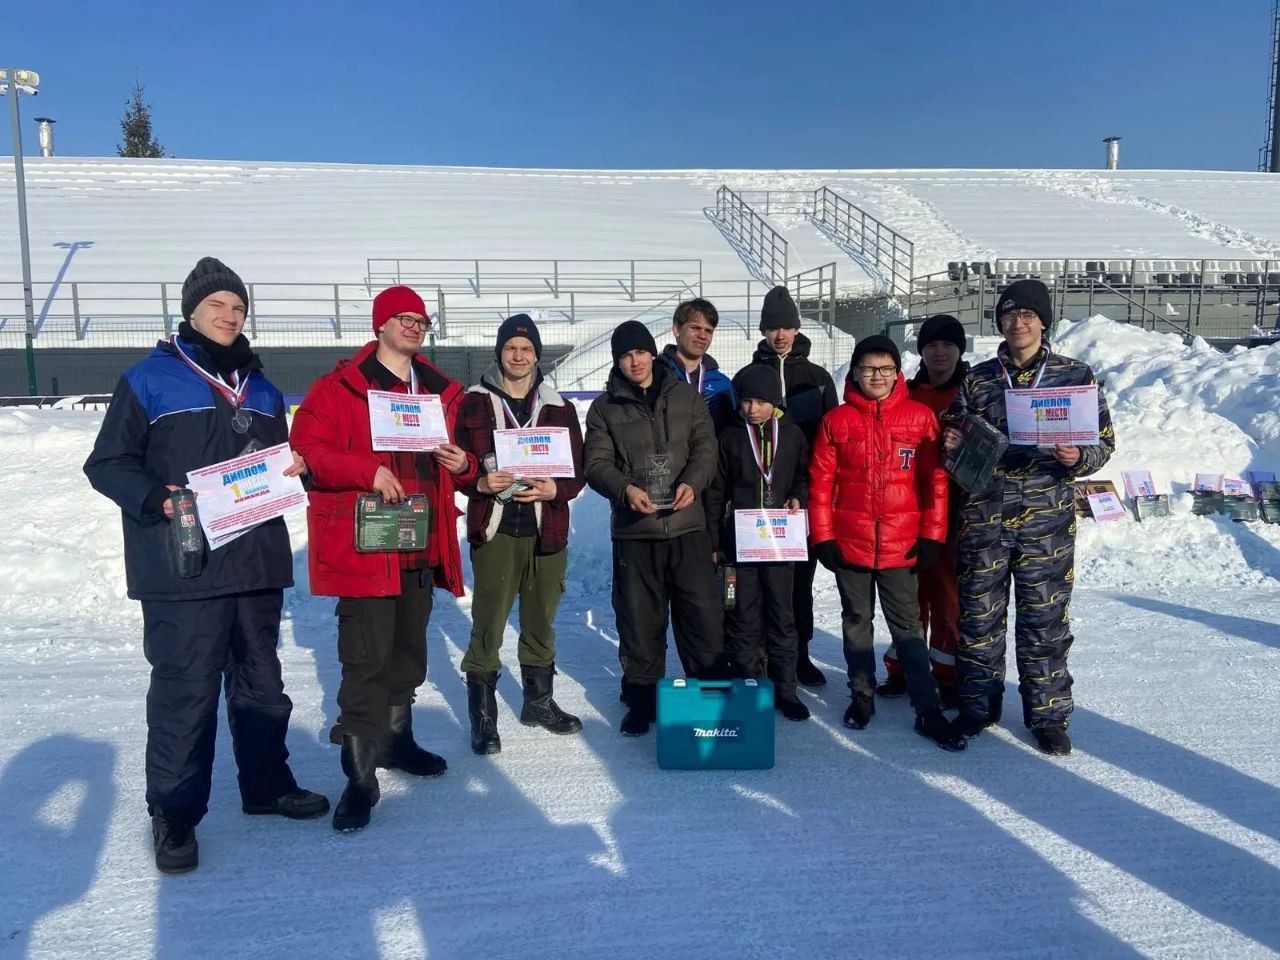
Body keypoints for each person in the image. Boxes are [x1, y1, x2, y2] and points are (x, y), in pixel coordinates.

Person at [84, 257, 329, 875]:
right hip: (183, 566)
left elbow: (273, 463)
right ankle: (175, 813)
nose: (229, 315)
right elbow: (107, 463)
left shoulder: (263, 388)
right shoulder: (149, 379)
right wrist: (157, 499)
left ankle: (266, 786)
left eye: (238, 306)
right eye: (217, 304)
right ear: (191, 312)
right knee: (185, 693)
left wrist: (295, 467)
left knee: (262, 688)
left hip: (256, 561)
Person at [290, 285, 476, 831]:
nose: (414, 326)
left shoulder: (438, 391)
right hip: (367, 545)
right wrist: (366, 471)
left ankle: (397, 741)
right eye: (403, 318)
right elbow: (309, 451)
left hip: (421, 540)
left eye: (421, 319)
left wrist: (463, 463)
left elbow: (467, 464)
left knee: (407, 655)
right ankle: (359, 776)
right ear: (379, 325)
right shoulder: (337, 389)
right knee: (365, 661)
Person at [943, 279, 1114, 756]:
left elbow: (1103, 444)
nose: (1017, 324)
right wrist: (952, 443)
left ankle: (1048, 715)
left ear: (1043, 322)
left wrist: (1077, 457)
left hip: (1047, 522)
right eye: (1009, 315)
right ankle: (978, 706)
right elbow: (954, 438)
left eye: (1027, 316)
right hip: (986, 517)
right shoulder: (978, 379)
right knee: (979, 619)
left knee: (1044, 621)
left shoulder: (1074, 375)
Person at [808, 335, 966, 752]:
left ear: (897, 373)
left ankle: (927, 708)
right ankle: (862, 694)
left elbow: (935, 481)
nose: (876, 376)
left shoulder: (918, 418)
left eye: (885, 369)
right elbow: (820, 484)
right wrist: (823, 535)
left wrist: (932, 536)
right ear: (855, 373)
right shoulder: (837, 421)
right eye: (868, 369)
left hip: (902, 545)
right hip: (850, 543)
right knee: (856, 621)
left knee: (907, 626)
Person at [583, 320, 725, 736]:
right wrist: (625, 489)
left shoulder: (684, 396)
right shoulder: (604, 408)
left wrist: (692, 483)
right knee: (639, 619)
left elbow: (706, 448)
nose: (635, 361)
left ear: (652, 353)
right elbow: (596, 464)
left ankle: (709, 693)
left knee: (700, 615)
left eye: (641, 352)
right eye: (626, 355)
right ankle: (642, 699)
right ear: (617, 361)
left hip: (687, 528)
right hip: (636, 531)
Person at [453, 314, 586, 755]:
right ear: (499, 352)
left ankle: (538, 702)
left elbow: (578, 468)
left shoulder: (559, 406)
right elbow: (456, 465)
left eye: (526, 349)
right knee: (488, 621)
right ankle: (483, 717)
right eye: (511, 347)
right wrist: (478, 480)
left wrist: (557, 490)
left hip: (547, 528)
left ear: (537, 355)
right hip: (496, 528)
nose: (518, 355)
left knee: (541, 618)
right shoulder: (473, 402)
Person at [705, 365, 811, 721]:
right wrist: (716, 540)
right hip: (741, 543)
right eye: (746, 401)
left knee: (782, 615)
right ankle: (749, 688)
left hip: (780, 543)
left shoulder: (792, 434)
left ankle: (786, 690)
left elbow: (802, 476)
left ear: (775, 401)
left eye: (761, 402)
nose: (752, 409)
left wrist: (797, 497)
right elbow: (716, 491)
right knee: (743, 618)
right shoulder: (730, 436)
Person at [746, 286, 839, 688]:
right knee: (759, 583)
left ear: (797, 328)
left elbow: (834, 437)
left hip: (801, 500)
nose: (780, 334)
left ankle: (799, 654)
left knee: (800, 581)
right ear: (763, 330)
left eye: (786, 327)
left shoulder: (817, 379)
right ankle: (763, 654)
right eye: (772, 327)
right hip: (757, 500)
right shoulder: (751, 377)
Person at [878, 314, 969, 707]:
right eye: (932, 345)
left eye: (948, 345)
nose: (939, 352)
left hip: (958, 510)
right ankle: (904, 667)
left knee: (948, 596)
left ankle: (947, 673)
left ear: (959, 350)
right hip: (908, 510)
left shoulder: (972, 391)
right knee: (908, 596)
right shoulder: (907, 394)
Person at [660, 298, 737, 433]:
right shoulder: (656, 375)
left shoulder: (722, 384)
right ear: (677, 329)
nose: (702, 335)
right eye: (695, 328)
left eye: (708, 331)